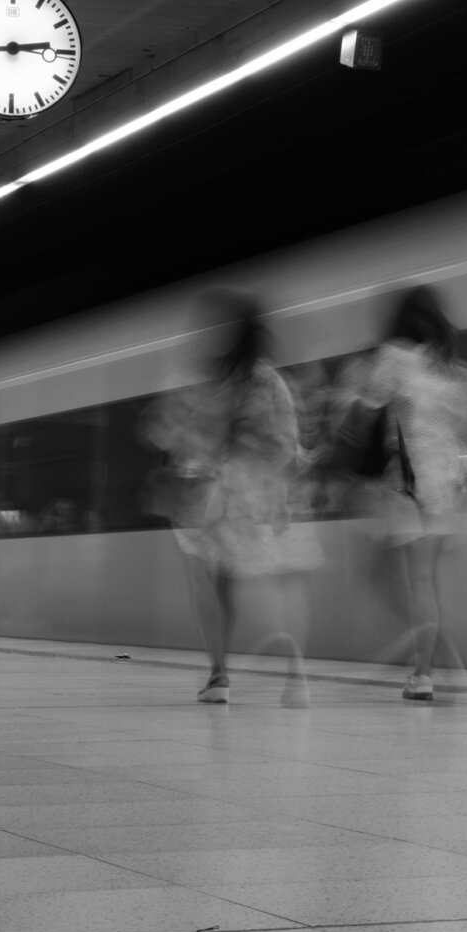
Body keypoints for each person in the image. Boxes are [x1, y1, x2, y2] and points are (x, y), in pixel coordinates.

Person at [142, 288, 318, 706]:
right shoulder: (269, 379)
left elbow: (166, 431)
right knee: (272, 581)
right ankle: (296, 676)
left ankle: (219, 674)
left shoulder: (195, 376)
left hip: (207, 496)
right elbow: (288, 445)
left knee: (211, 582)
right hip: (258, 495)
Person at [361, 284, 467, 702]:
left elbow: (368, 402)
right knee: (420, 580)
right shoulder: (463, 371)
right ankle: (435, 654)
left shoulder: (395, 356)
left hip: (412, 486)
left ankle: (424, 671)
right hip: (451, 486)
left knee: (410, 581)